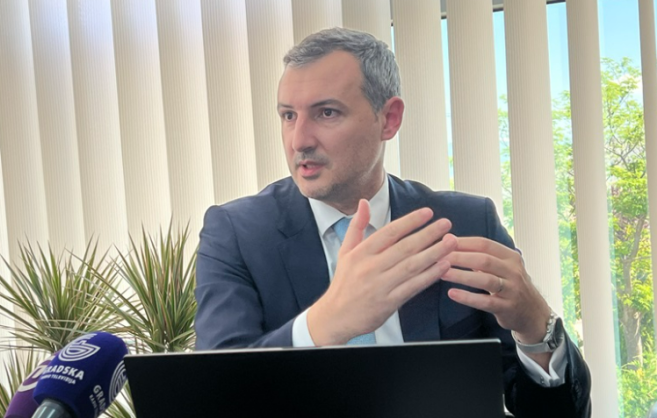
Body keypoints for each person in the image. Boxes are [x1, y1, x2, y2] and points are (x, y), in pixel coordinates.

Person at [194, 27, 591, 417]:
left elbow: (560, 414)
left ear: (389, 118)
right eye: (288, 115)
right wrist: (323, 324)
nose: (299, 140)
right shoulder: (236, 234)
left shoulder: (466, 224)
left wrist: (536, 327)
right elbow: (212, 396)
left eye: (326, 113)